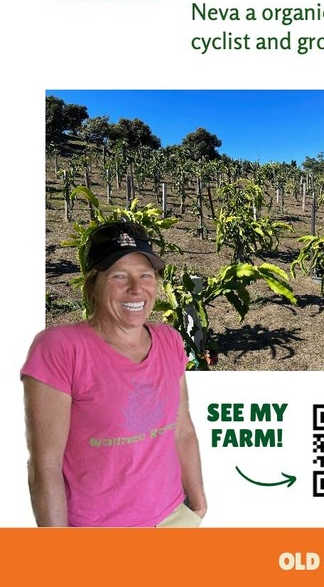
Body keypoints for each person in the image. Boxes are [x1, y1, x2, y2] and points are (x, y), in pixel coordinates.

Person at [22, 221, 207, 527]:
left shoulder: (169, 340)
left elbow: (182, 428)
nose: (136, 289)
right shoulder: (60, 349)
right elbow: (44, 465)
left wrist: (197, 505)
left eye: (145, 275)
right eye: (119, 276)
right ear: (93, 284)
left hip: (173, 518)